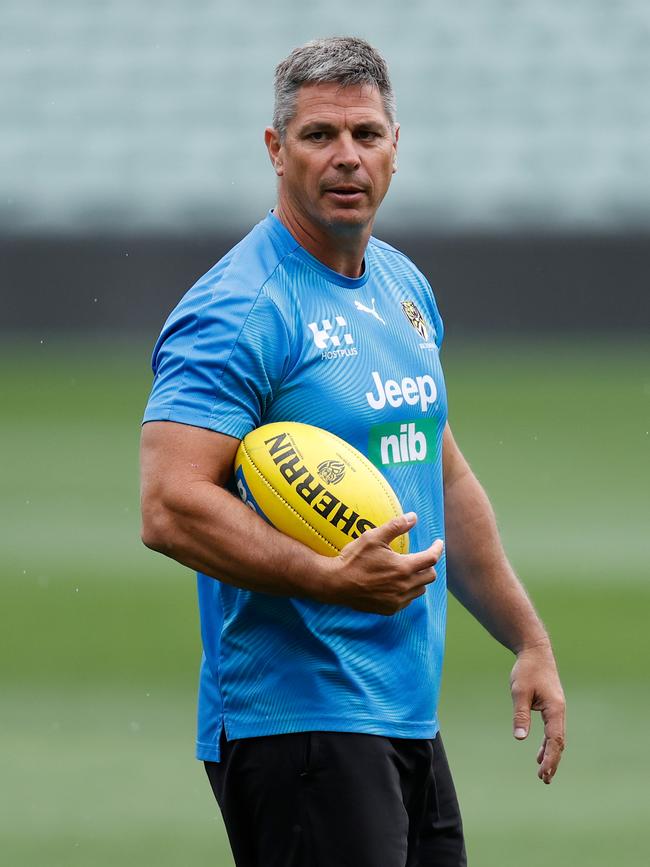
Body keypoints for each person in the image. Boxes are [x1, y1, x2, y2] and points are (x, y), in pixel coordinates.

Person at [140, 36, 565, 867]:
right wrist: (325, 576)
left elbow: (439, 471)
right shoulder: (240, 306)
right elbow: (168, 504)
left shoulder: (403, 287)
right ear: (275, 149)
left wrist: (528, 637)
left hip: (403, 717)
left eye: (366, 135)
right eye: (319, 136)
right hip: (296, 723)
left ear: (396, 148)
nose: (346, 158)